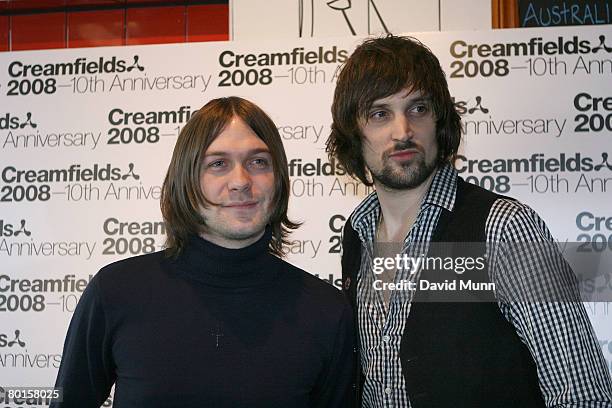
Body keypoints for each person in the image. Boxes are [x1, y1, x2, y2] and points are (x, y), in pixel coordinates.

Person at [326, 35, 612, 407]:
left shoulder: (506, 229)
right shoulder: (357, 236)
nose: (403, 131)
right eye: (381, 114)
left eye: (418, 109)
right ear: (354, 133)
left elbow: (583, 392)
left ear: (440, 120)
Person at [51, 96, 354, 408]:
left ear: (278, 180)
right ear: (187, 180)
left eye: (258, 162)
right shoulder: (115, 291)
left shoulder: (326, 311)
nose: (241, 181)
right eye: (218, 164)